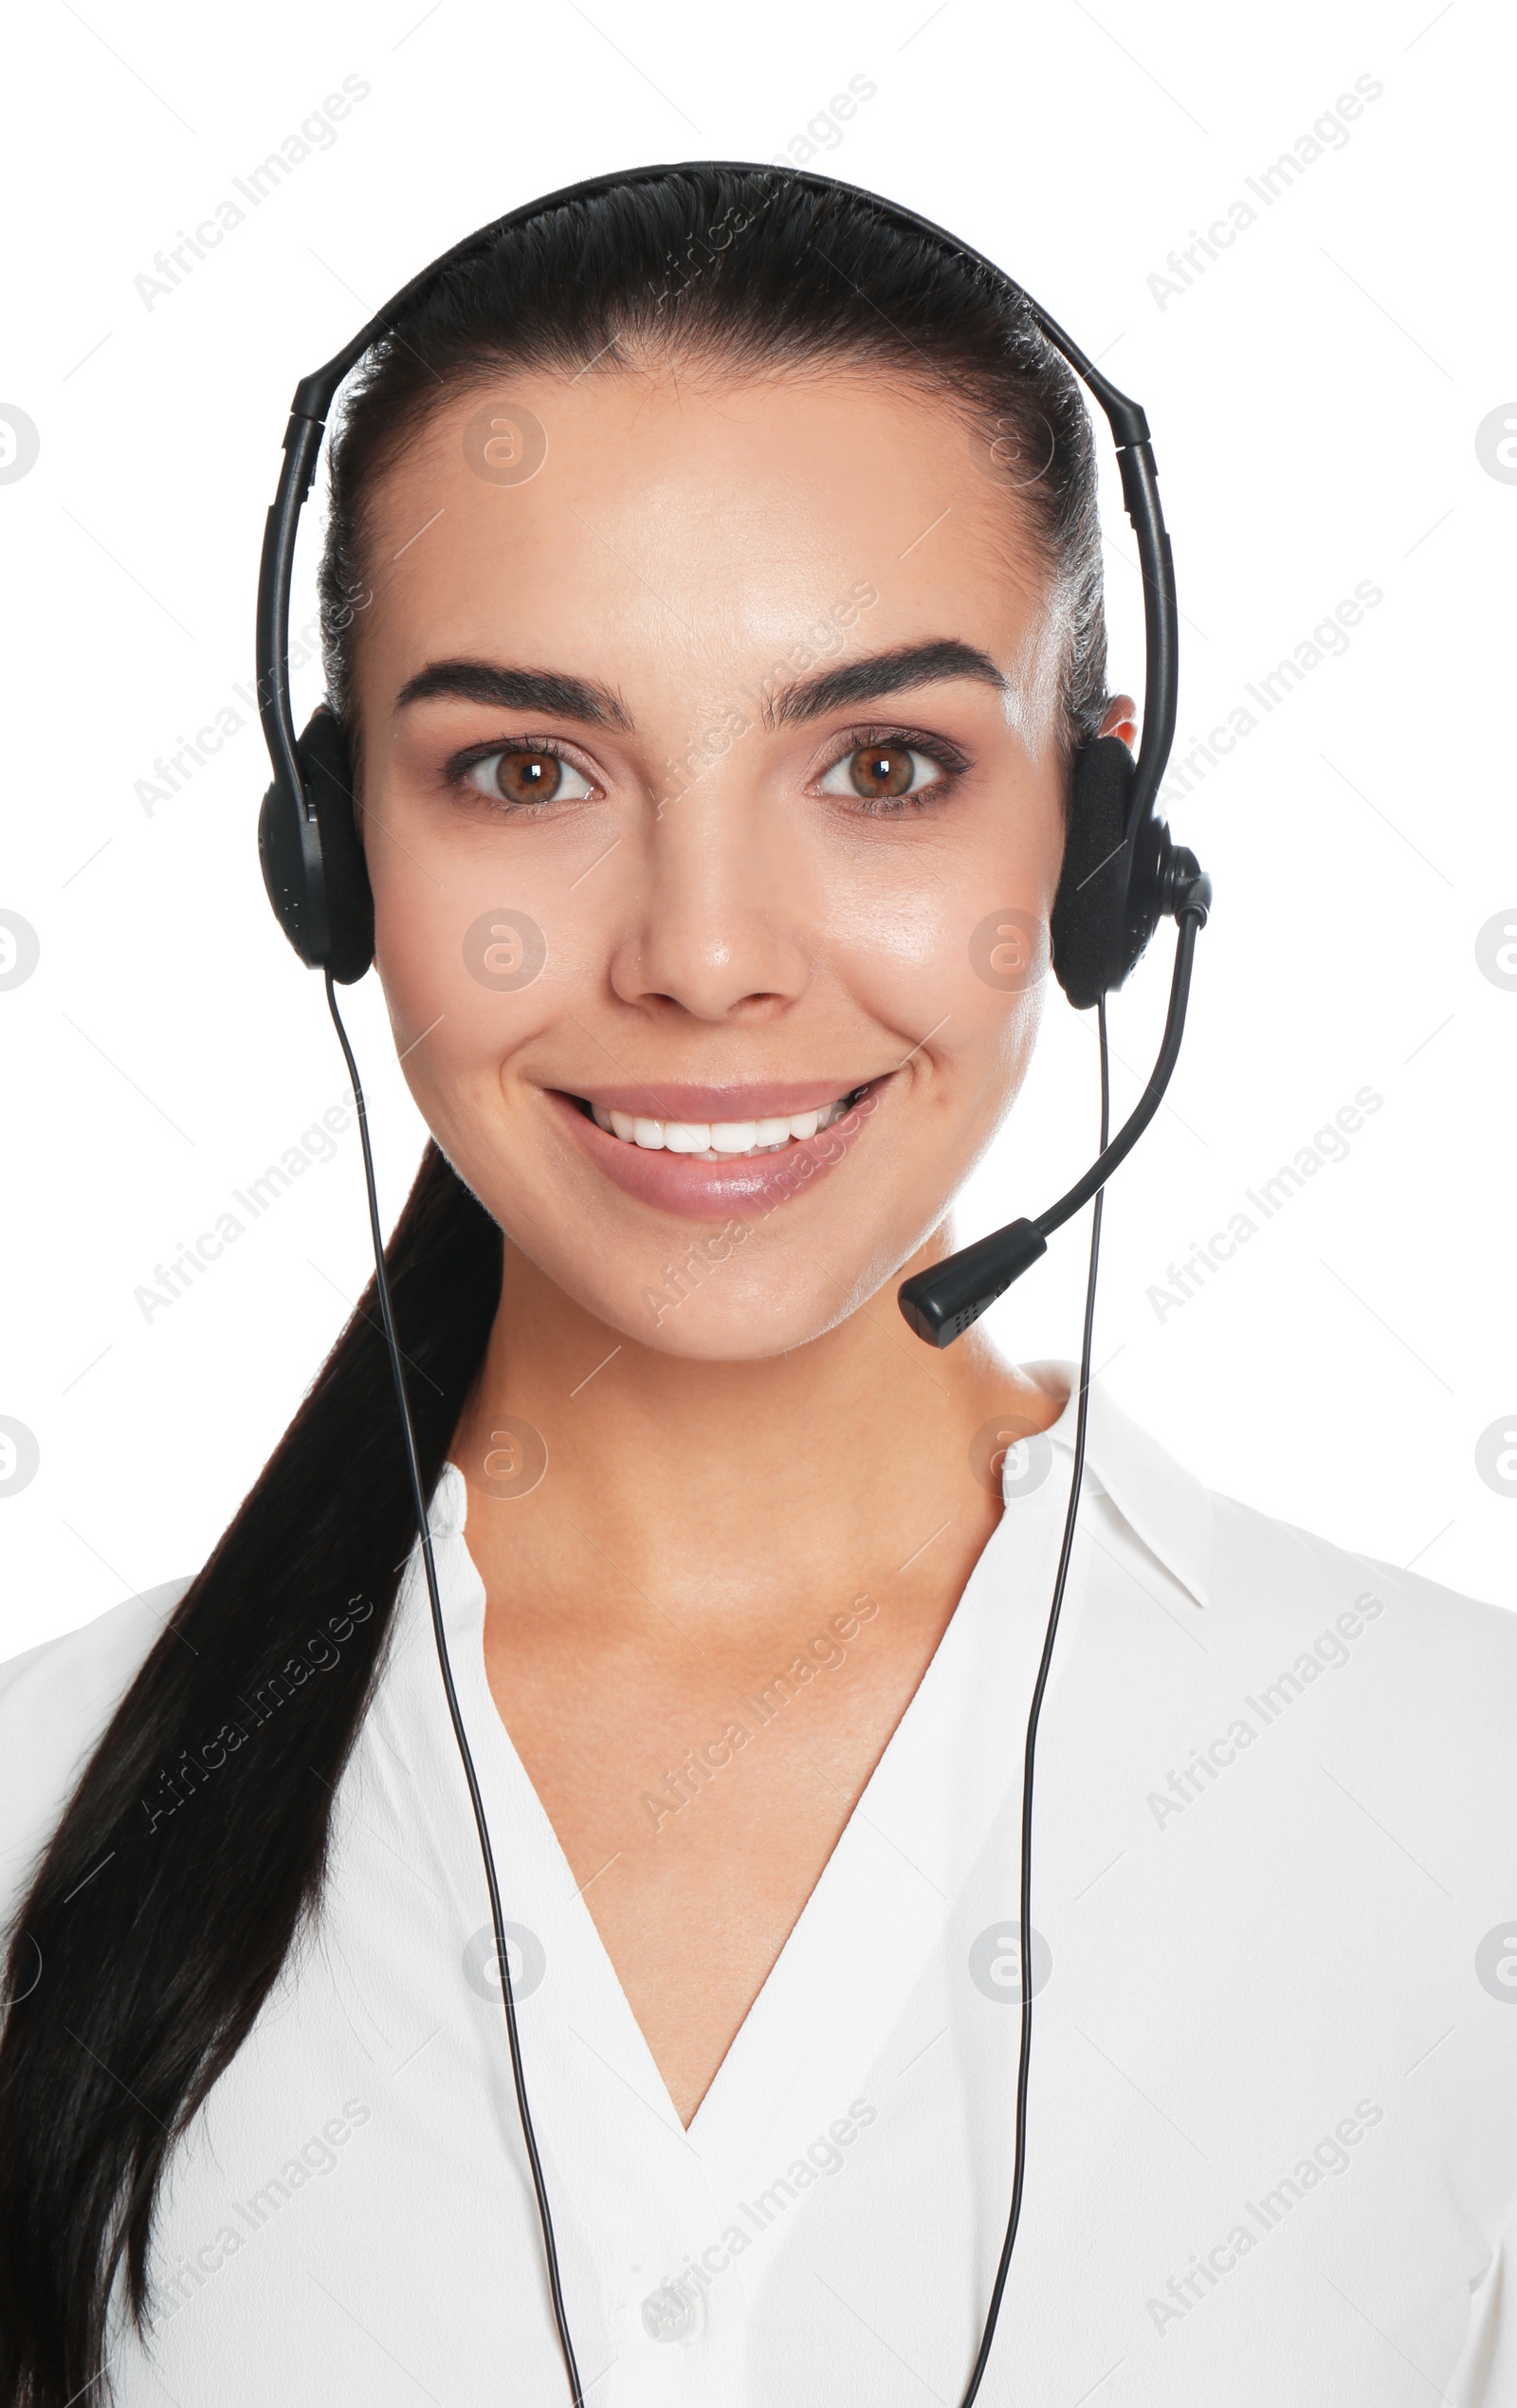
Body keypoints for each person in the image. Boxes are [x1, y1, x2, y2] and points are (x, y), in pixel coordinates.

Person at [1, 165, 1512, 2408]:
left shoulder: (1453, 1795)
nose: (699, 954)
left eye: (881, 766)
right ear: (333, 859)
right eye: (523, 769)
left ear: (1094, 849)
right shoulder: (42, 1815)